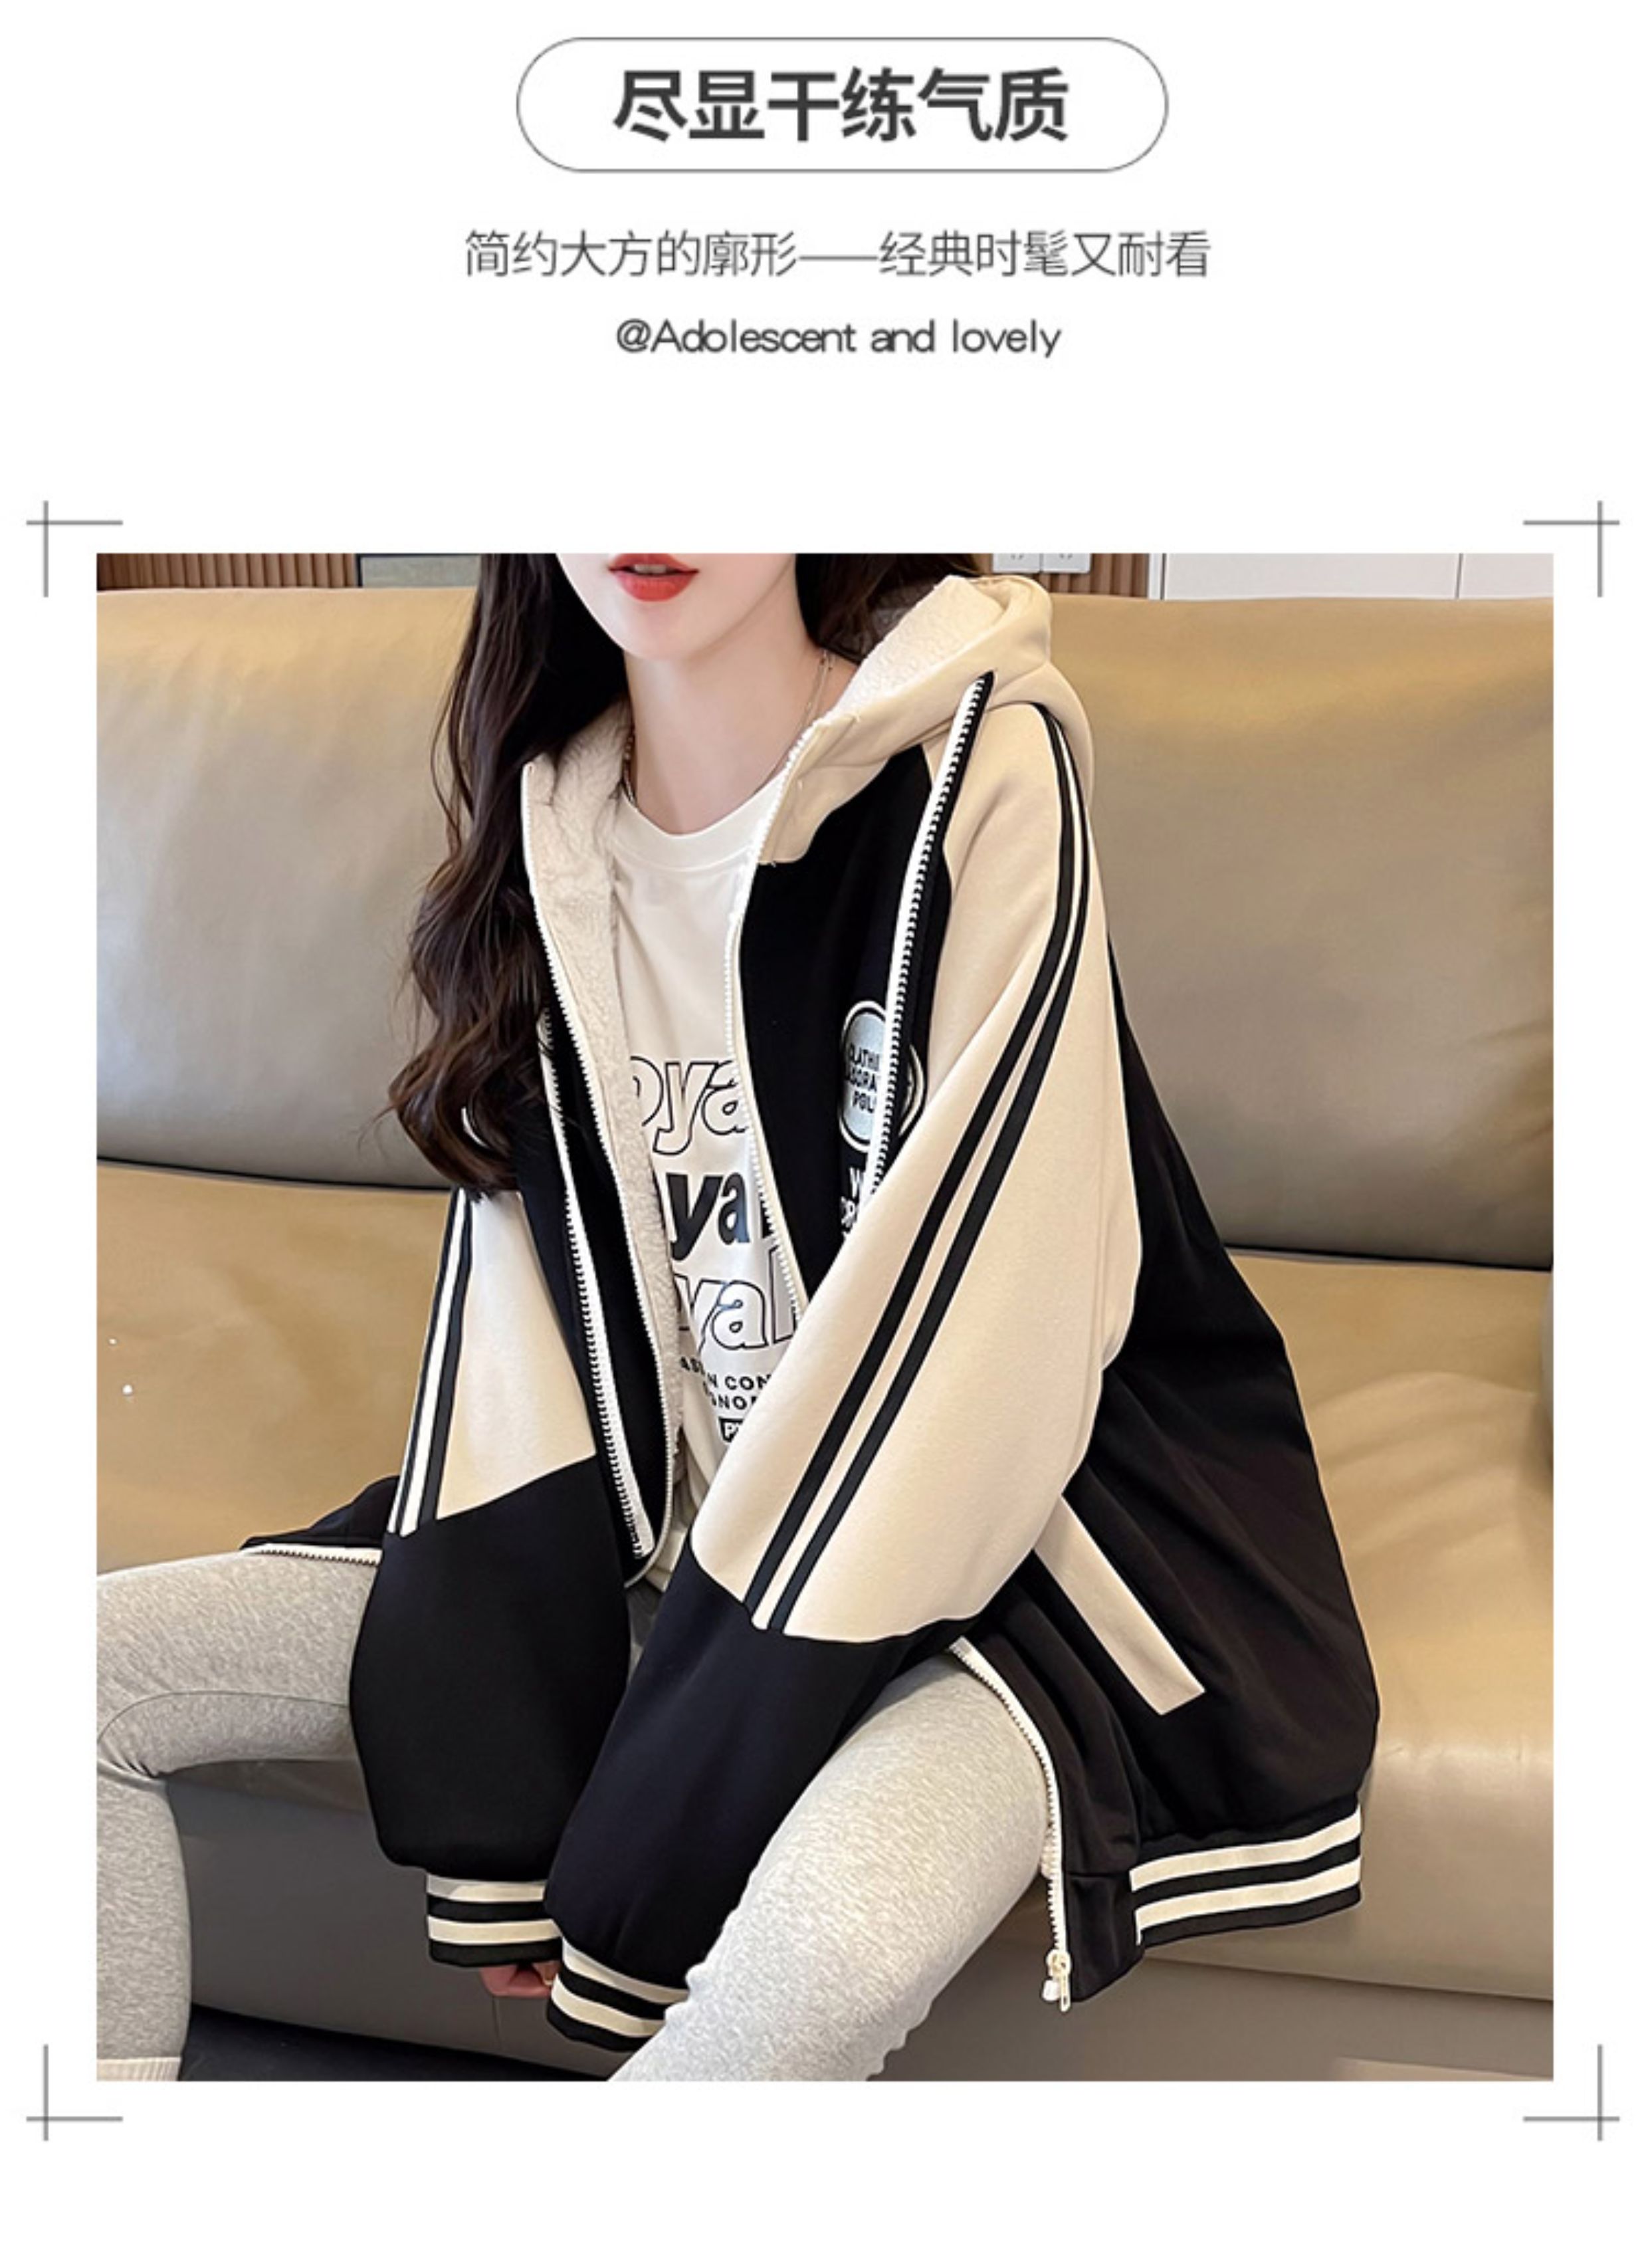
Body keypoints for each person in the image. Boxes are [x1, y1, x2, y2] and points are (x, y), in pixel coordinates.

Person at [98, 554, 1380, 2082]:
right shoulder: (552, 824)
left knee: (822, 1945)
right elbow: (520, 1334)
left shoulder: (981, 768)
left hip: (1000, 1550)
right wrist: (501, 1794)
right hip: (655, 1528)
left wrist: (657, 1826)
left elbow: (986, 1343)